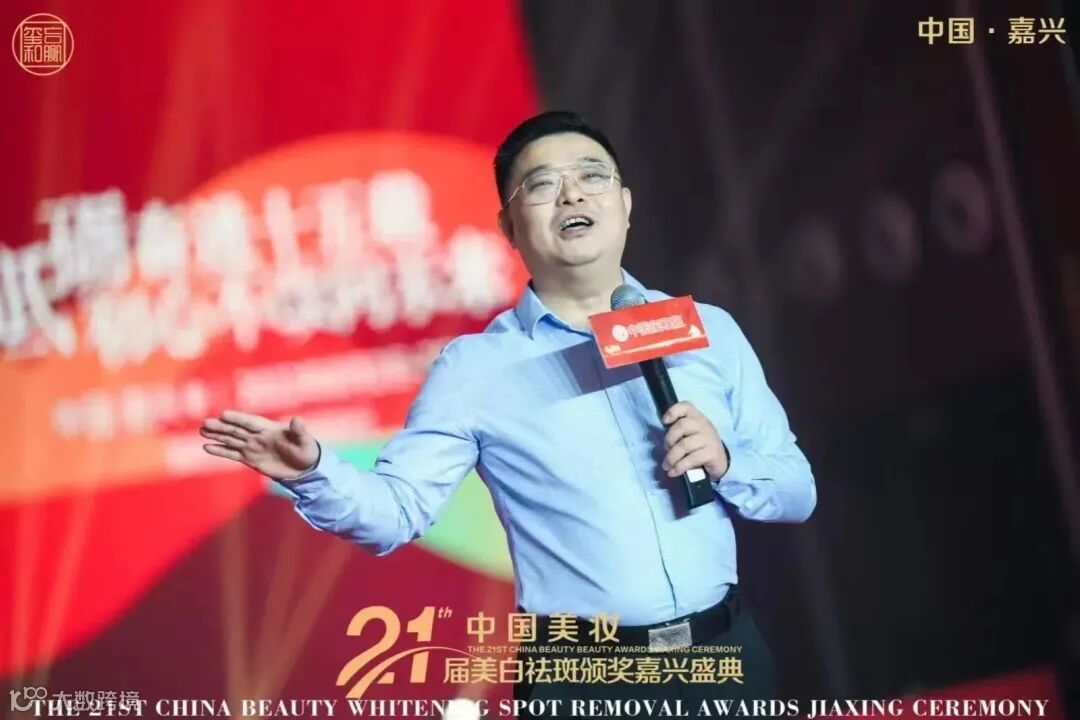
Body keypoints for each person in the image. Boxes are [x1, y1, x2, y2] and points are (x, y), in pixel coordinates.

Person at [199, 111, 816, 713]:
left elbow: (796, 490)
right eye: (542, 184)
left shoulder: (707, 329)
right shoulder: (476, 369)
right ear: (509, 226)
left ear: (625, 204)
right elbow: (396, 512)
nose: (572, 193)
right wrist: (311, 471)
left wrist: (726, 461)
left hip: (726, 659)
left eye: (592, 175)